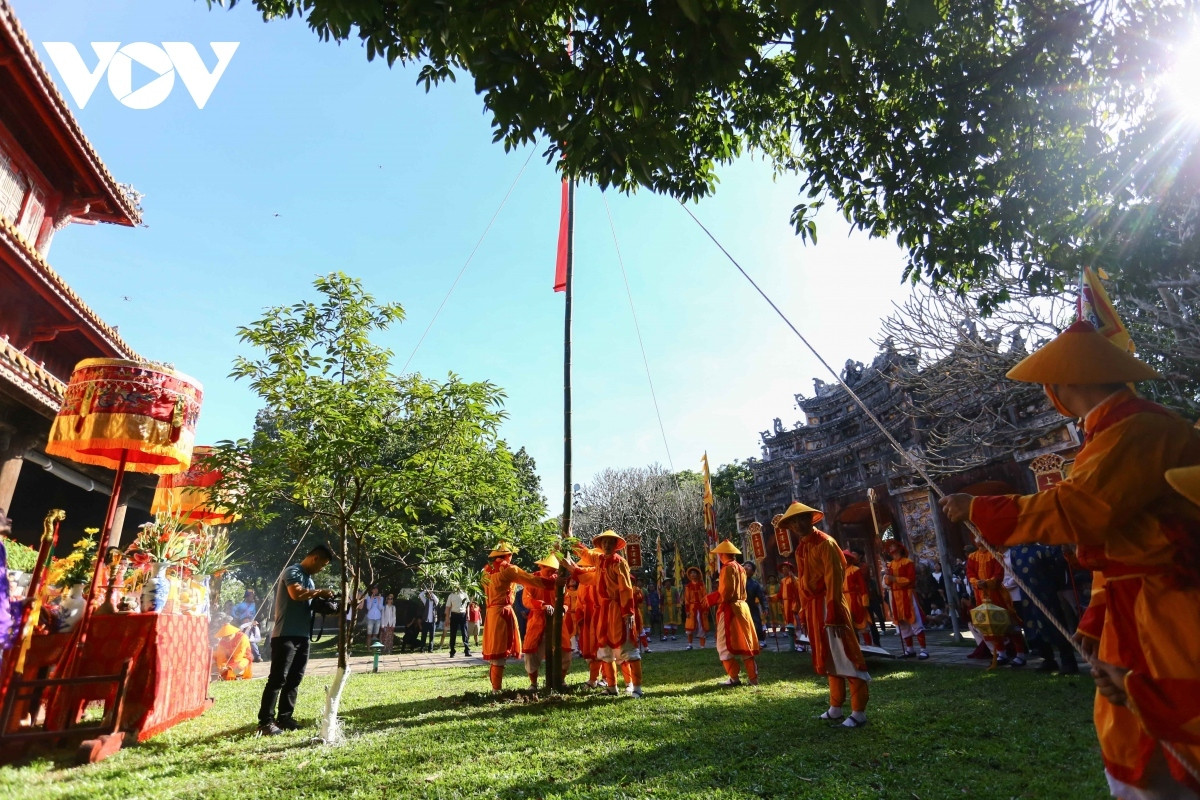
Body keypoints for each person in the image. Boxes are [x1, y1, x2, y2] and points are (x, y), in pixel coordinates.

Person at [939, 320, 1200, 799]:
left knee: (1179, 726)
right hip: (1129, 608)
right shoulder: (1110, 432)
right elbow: (1115, 547)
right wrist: (1097, 616)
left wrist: (978, 508)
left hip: (1165, 609)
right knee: (1130, 733)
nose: (1048, 393)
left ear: (1067, 383)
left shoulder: (1140, 428)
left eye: (1049, 384)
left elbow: (1084, 509)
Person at [781, 501, 871, 728]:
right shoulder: (801, 547)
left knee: (845, 655)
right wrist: (802, 609)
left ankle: (859, 711)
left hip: (829, 603)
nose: (797, 525)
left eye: (801, 519)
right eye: (792, 522)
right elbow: (802, 583)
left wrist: (833, 610)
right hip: (813, 607)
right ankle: (835, 706)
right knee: (827, 656)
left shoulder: (826, 543)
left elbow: (834, 581)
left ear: (811, 519)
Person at [257, 543, 335, 736]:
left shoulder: (309, 579)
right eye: (322, 565)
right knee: (278, 679)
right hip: (285, 635)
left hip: (302, 636)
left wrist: (326, 605)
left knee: (294, 679)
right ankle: (265, 722)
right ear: (315, 558)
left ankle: (284, 718)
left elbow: (307, 603)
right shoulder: (293, 571)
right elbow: (296, 594)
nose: (321, 569)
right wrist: (320, 592)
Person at [571, 530, 643, 697]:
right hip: (603, 609)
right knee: (605, 648)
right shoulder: (600, 560)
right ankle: (611, 687)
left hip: (618, 609)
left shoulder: (620, 562)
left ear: (616, 545)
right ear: (601, 546)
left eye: (610, 543)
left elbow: (626, 588)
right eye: (604, 543)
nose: (607, 545)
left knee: (626, 647)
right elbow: (585, 553)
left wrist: (628, 612)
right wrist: (570, 539)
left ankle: (637, 688)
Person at [480, 542, 555, 691]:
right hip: (502, 613)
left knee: (496, 653)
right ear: (509, 555)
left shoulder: (485, 571)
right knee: (499, 653)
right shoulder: (509, 569)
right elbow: (530, 579)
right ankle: (496, 690)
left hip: (491, 614)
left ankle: (496, 688)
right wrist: (554, 582)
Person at [1009, 543, 1078, 675]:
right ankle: (1048, 659)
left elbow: (1056, 570)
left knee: (1055, 626)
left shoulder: (1045, 549)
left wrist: (1055, 589)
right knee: (1034, 628)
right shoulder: (1014, 552)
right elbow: (1015, 571)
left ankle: (1068, 661)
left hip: (1047, 594)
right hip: (1027, 596)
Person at [706, 540, 760, 686]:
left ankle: (734, 678)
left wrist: (710, 599)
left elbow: (726, 592)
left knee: (723, 645)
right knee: (745, 643)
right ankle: (753, 679)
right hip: (742, 608)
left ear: (723, 554)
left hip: (729, 608)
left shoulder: (727, 568)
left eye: (719, 554)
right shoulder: (741, 568)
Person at [966, 544, 1027, 667]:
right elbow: (970, 573)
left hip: (998, 595)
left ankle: (1020, 654)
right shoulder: (972, 557)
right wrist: (977, 582)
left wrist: (988, 583)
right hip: (981, 595)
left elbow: (999, 575)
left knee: (1009, 622)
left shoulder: (996, 555)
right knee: (990, 624)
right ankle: (1001, 653)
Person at [521, 554, 571, 690]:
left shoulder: (559, 580)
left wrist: (562, 609)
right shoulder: (532, 579)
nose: (552, 572)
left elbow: (566, 599)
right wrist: (542, 605)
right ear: (541, 566)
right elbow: (526, 599)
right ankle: (533, 683)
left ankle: (560, 680)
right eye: (548, 569)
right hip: (536, 620)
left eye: (553, 569)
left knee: (565, 651)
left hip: (557, 622)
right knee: (531, 652)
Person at [884, 543, 929, 659]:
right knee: (902, 623)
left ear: (899, 549)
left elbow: (910, 580)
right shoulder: (890, 565)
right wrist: (887, 577)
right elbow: (888, 583)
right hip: (895, 595)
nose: (890, 549)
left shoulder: (908, 562)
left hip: (907, 594)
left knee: (915, 621)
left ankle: (924, 650)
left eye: (892, 547)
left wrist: (894, 579)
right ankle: (910, 650)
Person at [842, 550, 872, 647]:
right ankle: (856, 647)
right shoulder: (840, 571)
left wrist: (864, 601)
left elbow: (863, 586)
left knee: (862, 623)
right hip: (845, 599)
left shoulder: (855, 569)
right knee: (850, 625)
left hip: (855, 599)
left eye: (846, 558)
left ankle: (869, 645)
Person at [682, 566, 709, 650]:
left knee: (701, 625)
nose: (693, 574)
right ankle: (690, 644)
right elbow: (686, 599)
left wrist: (706, 608)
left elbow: (705, 597)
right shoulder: (688, 586)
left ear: (698, 574)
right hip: (692, 608)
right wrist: (687, 610)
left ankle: (702, 646)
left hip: (701, 608)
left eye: (694, 573)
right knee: (690, 626)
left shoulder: (702, 585)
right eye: (691, 573)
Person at [743, 561, 769, 642]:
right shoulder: (737, 581)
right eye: (745, 566)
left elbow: (762, 597)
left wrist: (765, 608)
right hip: (740, 607)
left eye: (749, 566)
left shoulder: (755, 584)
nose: (746, 567)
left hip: (751, 606)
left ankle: (761, 640)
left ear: (753, 572)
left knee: (757, 623)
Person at [445, 584, 471, 657]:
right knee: (453, 633)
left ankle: (467, 650)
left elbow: (467, 605)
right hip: (454, 615)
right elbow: (448, 607)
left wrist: (468, 614)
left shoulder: (464, 594)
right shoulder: (451, 595)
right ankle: (452, 651)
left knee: (464, 633)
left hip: (463, 615)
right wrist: (447, 618)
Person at [417, 585, 438, 653]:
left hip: (432, 622)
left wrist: (432, 592)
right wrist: (425, 591)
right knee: (424, 635)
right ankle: (422, 648)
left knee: (432, 636)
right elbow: (420, 595)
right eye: (429, 595)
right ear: (427, 596)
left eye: (430, 595)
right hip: (426, 621)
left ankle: (430, 649)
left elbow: (436, 599)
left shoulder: (435, 602)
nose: (430, 596)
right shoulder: (426, 601)